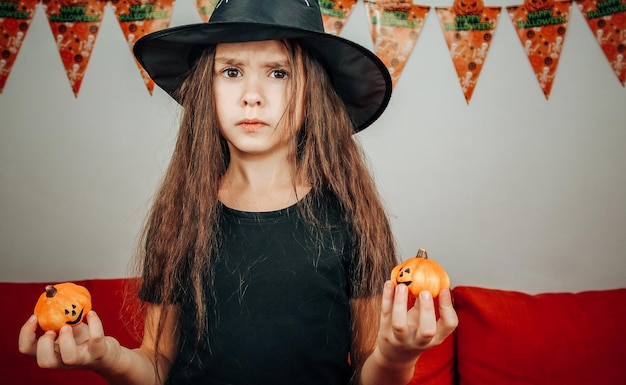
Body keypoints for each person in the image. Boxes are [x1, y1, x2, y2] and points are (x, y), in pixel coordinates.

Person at [19, 1, 458, 384]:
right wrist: (108, 358)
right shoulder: (180, 216)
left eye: (278, 72)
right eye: (231, 71)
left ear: (314, 94)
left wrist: (398, 355)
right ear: (205, 90)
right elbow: (155, 366)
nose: (252, 95)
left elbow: (369, 374)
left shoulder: (350, 219)